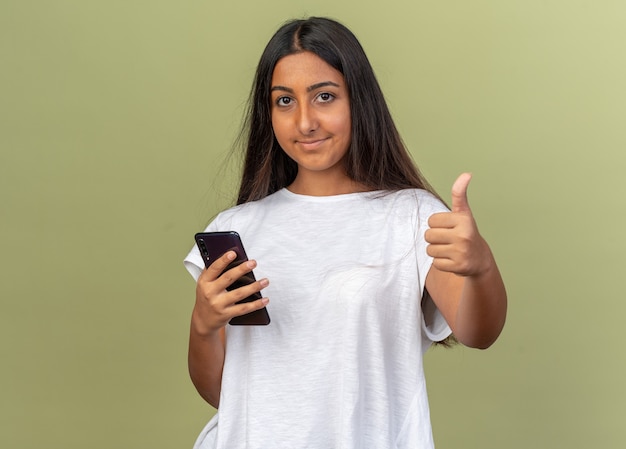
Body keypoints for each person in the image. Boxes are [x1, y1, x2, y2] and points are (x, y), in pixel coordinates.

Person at [184, 16, 507, 449]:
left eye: (324, 97)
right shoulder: (237, 228)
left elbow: (478, 333)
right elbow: (226, 394)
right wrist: (203, 326)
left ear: (360, 100)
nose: (304, 122)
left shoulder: (411, 216)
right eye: (284, 101)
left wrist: (481, 267)